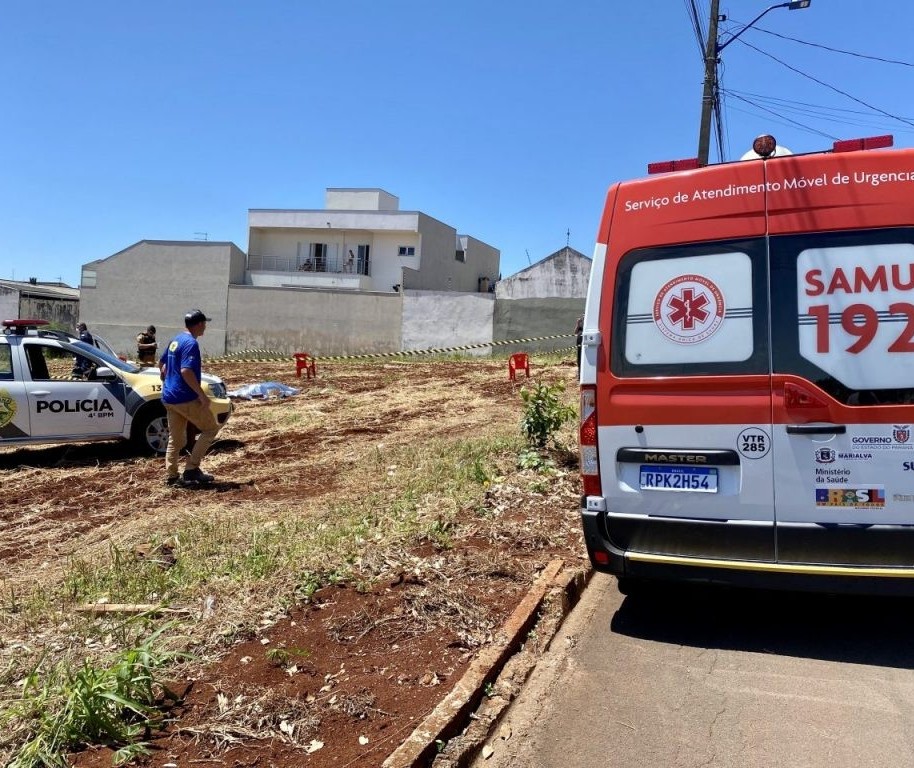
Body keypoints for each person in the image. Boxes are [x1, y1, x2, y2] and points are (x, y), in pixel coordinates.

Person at [160, 310, 222, 486]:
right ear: (199, 324)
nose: (206, 327)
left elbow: (161, 363)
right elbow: (186, 371)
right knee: (210, 429)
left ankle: (172, 477)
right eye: (204, 323)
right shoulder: (191, 344)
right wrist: (202, 396)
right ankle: (191, 469)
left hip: (169, 397)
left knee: (176, 439)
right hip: (184, 397)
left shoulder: (176, 340)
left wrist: (164, 378)